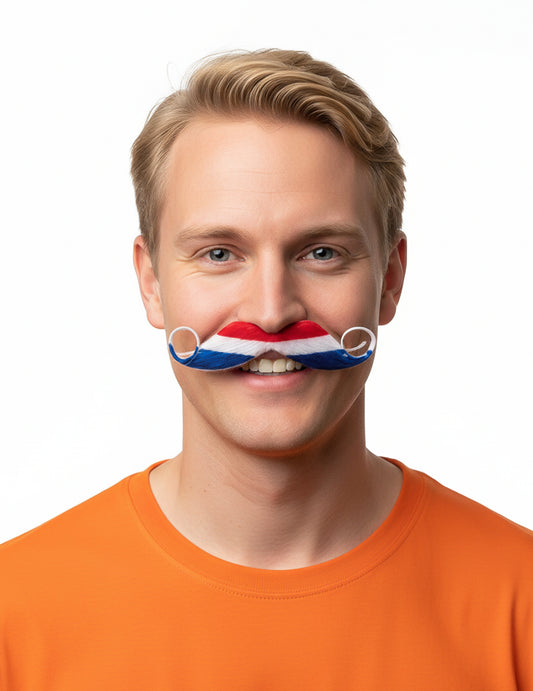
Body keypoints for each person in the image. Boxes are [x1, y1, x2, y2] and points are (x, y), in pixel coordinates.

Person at [1, 49, 532, 690]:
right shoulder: (16, 614)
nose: (271, 312)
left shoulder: (519, 600)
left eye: (322, 252)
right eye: (219, 253)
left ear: (390, 280)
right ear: (151, 283)